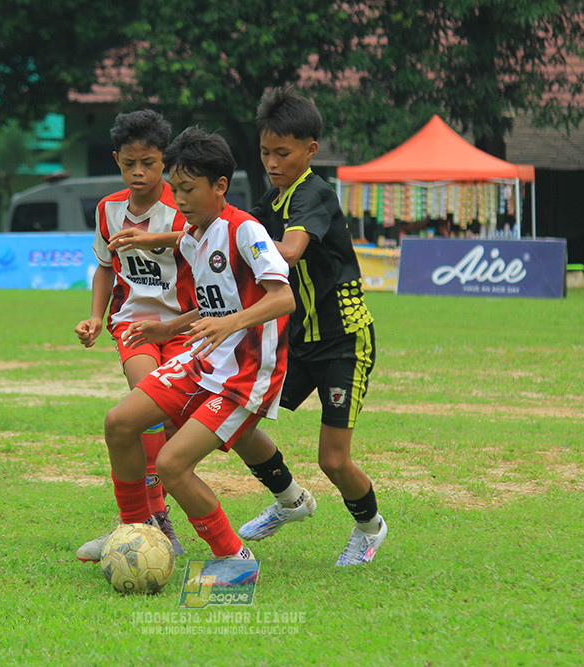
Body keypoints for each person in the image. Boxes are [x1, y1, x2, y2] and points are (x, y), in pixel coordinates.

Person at [92, 126, 295, 560]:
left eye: (187, 190)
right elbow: (214, 305)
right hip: (204, 360)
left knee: (170, 463)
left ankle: (234, 559)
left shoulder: (246, 231)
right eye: (176, 190)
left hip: (246, 372)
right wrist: (169, 329)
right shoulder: (194, 237)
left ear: (220, 186)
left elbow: (283, 298)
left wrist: (230, 324)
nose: (179, 201)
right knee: (119, 423)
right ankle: (137, 531)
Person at [236, 86, 387, 566]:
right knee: (236, 423)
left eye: (283, 153)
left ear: (310, 151)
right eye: (265, 152)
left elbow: (291, 249)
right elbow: (230, 230)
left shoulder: (314, 193)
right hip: (299, 342)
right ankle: (290, 500)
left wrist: (243, 248)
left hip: (344, 342)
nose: (272, 162)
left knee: (334, 460)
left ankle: (370, 528)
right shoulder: (273, 198)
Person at [73, 109, 195, 561]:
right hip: (135, 326)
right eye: (129, 163)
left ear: (165, 161)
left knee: (172, 422)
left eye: (148, 162)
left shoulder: (183, 205)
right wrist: (96, 317)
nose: (138, 172)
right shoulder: (108, 209)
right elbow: (106, 268)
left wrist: (152, 239)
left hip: (186, 326)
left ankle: (284, 491)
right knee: (144, 406)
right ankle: (149, 521)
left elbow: (198, 243)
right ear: (117, 161)